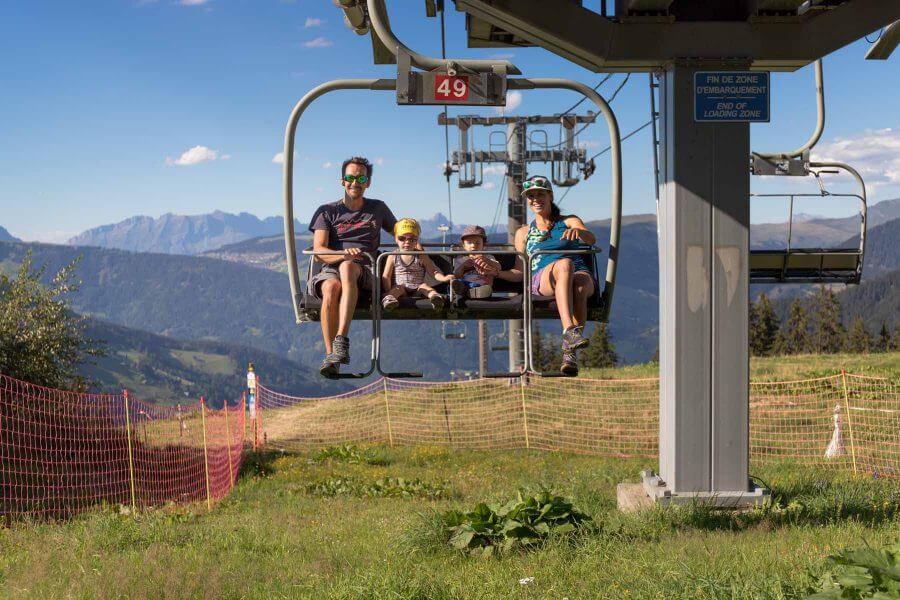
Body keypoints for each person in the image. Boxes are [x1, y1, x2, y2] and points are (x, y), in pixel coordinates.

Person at [308, 156, 397, 378]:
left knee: (348, 267)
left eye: (360, 178)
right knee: (330, 288)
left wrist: (416, 244)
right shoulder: (327, 211)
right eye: (350, 177)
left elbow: (401, 233)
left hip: (364, 269)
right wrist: (341, 253)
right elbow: (319, 250)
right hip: (332, 267)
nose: (354, 182)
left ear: (368, 182)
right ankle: (332, 357)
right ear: (342, 181)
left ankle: (341, 340)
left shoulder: (377, 208)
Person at [507, 175, 597, 376]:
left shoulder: (569, 221)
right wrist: (496, 271)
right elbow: (519, 270)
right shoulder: (523, 233)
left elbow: (591, 238)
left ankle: (569, 353)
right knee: (564, 265)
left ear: (550, 196)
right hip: (543, 277)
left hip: (579, 272)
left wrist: (579, 233)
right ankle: (570, 332)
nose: (535, 199)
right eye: (531, 196)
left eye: (540, 194)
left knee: (580, 285)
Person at [381, 218, 455, 311]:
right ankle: (389, 298)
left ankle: (435, 298)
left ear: (417, 241)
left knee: (424, 287)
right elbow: (386, 276)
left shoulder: (421, 256)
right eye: (402, 238)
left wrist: (444, 278)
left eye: (412, 239)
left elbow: (433, 272)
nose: (407, 242)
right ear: (396, 238)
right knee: (397, 288)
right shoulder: (393, 256)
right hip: (402, 289)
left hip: (418, 288)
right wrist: (388, 291)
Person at [451, 225, 500, 299]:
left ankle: (470, 293)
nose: (473, 245)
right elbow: (456, 275)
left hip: (481, 285)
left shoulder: (488, 257)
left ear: (483, 244)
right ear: (464, 245)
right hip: (465, 284)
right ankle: (467, 292)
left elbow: (498, 267)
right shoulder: (461, 259)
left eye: (477, 243)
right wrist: (463, 266)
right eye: (469, 242)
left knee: (483, 289)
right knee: (456, 283)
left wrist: (486, 260)